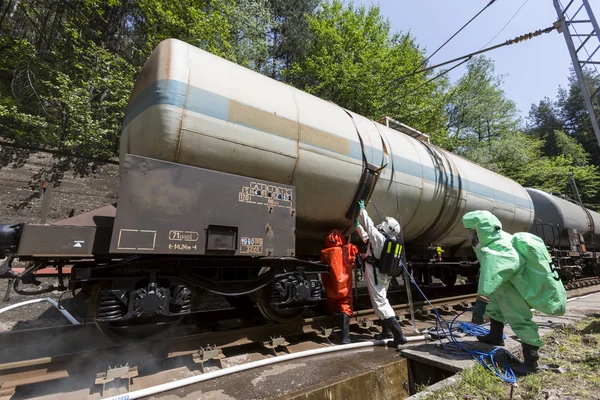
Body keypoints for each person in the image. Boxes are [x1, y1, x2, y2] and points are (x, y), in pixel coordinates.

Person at [463, 210, 567, 376]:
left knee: (518, 318)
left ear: (483, 229)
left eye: (474, 231)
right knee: (496, 308)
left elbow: (490, 274)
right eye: (469, 231)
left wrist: (481, 301)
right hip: (505, 285)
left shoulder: (497, 247)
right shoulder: (493, 239)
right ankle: (495, 336)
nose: (472, 236)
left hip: (513, 287)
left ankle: (531, 362)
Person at [354, 199, 407, 348]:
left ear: (388, 228)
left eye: (385, 224)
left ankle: (399, 336)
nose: (382, 224)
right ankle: (387, 332)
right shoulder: (382, 240)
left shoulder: (380, 238)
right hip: (381, 274)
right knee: (381, 300)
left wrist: (362, 210)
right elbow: (367, 237)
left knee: (380, 303)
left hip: (376, 274)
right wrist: (358, 227)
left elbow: (370, 228)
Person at [320, 229, 358, 344]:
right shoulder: (346, 250)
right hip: (344, 286)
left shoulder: (325, 252)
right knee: (345, 306)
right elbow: (354, 254)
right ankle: (345, 337)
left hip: (331, 289)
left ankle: (337, 330)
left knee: (334, 304)